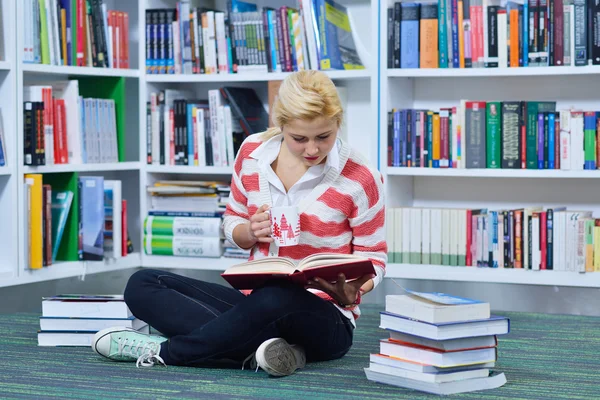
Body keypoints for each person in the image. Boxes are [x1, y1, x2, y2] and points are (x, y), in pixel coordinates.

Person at [91, 70, 387, 377]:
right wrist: (247, 231)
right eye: (299, 138)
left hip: (327, 318)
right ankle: (270, 352)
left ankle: (165, 352)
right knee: (143, 284)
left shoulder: (361, 177)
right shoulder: (252, 153)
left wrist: (355, 290)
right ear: (280, 124)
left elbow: (375, 256)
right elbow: (232, 220)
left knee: (277, 295)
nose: (312, 149)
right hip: (253, 305)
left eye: (324, 137)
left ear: (338, 122)